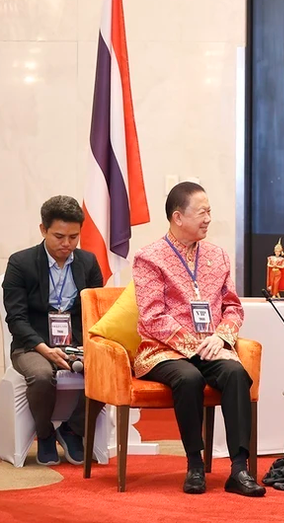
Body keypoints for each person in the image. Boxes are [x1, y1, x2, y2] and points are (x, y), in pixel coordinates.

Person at [132, 181, 265, 496]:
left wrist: (221, 336)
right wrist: (194, 344)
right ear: (178, 217)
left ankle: (239, 469)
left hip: (211, 347)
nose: (208, 218)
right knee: (188, 378)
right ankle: (194, 464)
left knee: (235, 373)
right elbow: (151, 317)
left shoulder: (217, 256)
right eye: (202, 212)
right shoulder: (150, 257)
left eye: (210, 212)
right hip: (163, 351)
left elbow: (233, 308)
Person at [2, 196, 103, 466]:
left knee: (108, 367)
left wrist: (87, 346)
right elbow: (16, 319)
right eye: (59, 236)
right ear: (43, 229)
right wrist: (43, 348)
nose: (67, 244)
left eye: (74, 237)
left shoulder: (88, 263)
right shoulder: (20, 264)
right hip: (31, 344)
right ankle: (45, 434)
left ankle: (72, 430)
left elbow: (95, 314)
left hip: (76, 343)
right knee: (42, 374)